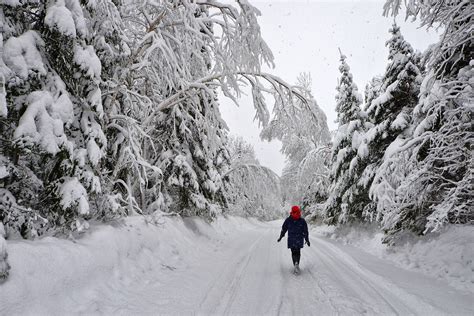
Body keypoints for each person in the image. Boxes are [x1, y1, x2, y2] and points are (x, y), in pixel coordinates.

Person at [277, 205, 310, 273]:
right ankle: (297, 263)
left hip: (291, 239)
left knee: (293, 252)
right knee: (298, 252)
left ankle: (295, 263)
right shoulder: (302, 220)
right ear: (298, 211)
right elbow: (305, 231)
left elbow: (284, 229)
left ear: (291, 212)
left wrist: (281, 236)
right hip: (299, 239)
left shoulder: (288, 220)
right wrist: (307, 239)